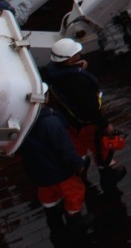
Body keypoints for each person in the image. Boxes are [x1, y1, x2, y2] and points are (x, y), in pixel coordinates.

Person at [42, 37, 127, 191]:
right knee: (101, 149)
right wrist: (105, 124)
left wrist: (77, 69)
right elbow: (91, 108)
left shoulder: (52, 73)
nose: (80, 55)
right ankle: (107, 177)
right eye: (76, 54)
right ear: (68, 61)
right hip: (87, 124)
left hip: (69, 123)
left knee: (77, 148)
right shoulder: (80, 81)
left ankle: (79, 170)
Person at [19, 89, 89, 240]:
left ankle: (54, 222)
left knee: (49, 199)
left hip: (40, 176)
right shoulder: (52, 122)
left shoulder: (21, 122)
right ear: (45, 97)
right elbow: (65, 149)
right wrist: (78, 165)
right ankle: (74, 219)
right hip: (62, 174)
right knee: (73, 195)